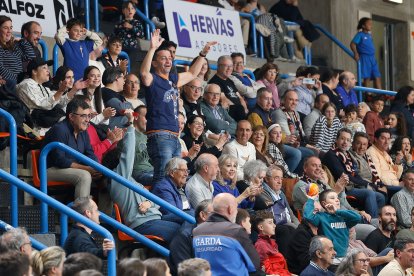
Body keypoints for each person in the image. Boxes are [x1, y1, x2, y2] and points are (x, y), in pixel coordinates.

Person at [140, 29, 215, 182]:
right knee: (162, 176)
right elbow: (143, 73)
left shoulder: (173, 80)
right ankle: (158, 205)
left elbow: (193, 73)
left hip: (175, 136)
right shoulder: (152, 79)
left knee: (176, 178)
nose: (168, 61)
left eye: (169, 58)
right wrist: (153, 48)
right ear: (155, 63)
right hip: (160, 134)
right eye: (163, 58)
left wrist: (203, 54)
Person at [106, 110, 181, 245]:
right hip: (143, 224)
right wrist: (130, 125)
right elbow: (128, 153)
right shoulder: (118, 178)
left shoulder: (133, 182)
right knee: (182, 233)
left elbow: (157, 202)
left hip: (155, 218)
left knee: (189, 219)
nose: (130, 161)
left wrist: (148, 203)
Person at [42, 98, 101, 198]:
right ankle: (82, 212)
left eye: (89, 116)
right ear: (71, 117)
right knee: (84, 176)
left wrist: (97, 168)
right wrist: (86, 168)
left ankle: (100, 212)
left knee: (107, 177)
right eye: (83, 116)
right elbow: (59, 160)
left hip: (72, 169)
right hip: (50, 170)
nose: (87, 120)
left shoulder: (84, 132)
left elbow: (90, 153)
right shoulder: (59, 130)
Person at [192, 193, 263, 276]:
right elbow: (254, 264)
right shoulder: (236, 231)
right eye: (236, 208)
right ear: (230, 209)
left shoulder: (197, 231)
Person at [322, 128, 386, 219]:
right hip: (343, 190)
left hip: (353, 186)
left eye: (348, 140)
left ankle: (370, 219)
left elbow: (355, 174)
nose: (345, 142)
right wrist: (366, 184)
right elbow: (344, 176)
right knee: (369, 193)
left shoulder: (347, 154)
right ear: (336, 139)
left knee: (380, 196)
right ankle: (373, 225)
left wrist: (369, 184)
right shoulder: (331, 155)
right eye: (342, 139)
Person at [16, 58, 83, 126]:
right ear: (34, 71)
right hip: (34, 124)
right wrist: (60, 91)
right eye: (44, 68)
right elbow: (44, 105)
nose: (48, 70)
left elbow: (60, 103)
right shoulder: (26, 84)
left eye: (48, 68)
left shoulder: (43, 88)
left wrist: (74, 89)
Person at [304, 189, 361, 260]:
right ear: (324, 204)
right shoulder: (321, 217)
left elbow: (358, 217)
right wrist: (311, 200)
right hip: (330, 257)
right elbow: (308, 217)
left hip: (345, 255)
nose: (337, 200)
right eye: (332, 198)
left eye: (337, 198)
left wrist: (337, 211)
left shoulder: (343, 216)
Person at [272, 90, 316, 173]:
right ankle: (287, 176)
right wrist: (308, 145)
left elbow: (301, 134)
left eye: (296, 100)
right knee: (308, 153)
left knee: (314, 151)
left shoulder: (296, 113)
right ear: (284, 100)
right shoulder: (279, 113)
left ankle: (298, 177)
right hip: (281, 143)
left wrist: (310, 143)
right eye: (291, 99)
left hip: (295, 143)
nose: (294, 103)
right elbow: (290, 137)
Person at [168, 200, 213, 276]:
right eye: (216, 214)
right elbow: (186, 271)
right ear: (203, 215)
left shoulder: (220, 235)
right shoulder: (183, 237)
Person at [208, 55, 249, 121]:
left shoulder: (229, 80)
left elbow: (240, 97)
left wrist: (245, 110)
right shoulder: (215, 82)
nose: (229, 68)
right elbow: (224, 100)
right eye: (226, 66)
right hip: (228, 113)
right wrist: (239, 109)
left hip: (240, 112)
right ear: (219, 66)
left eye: (231, 66)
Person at [252, 211, 291, 276]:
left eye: (273, 222)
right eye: (270, 223)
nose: (274, 226)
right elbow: (267, 271)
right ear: (261, 227)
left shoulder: (272, 242)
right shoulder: (261, 245)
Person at [0, 15, 35, 85]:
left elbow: (31, 57)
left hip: (19, 83)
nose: (9, 31)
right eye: (5, 28)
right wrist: (19, 80)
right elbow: (1, 68)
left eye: (11, 28)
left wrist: (22, 41)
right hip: (10, 84)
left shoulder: (14, 47)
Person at [113, 1, 145, 74]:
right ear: (123, 11)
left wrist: (131, 27)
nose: (130, 10)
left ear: (135, 11)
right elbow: (115, 34)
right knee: (119, 66)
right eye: (127, 8)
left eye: (132, 8)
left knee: (130, 66)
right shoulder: (119, 23)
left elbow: (141, 35)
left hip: (132, 48)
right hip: (120, 48)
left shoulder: (137, 23)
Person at [351, 17, 381, 89]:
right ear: (363, 26)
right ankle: (368, 94)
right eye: (369, 24)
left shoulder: (369, 35)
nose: (371, 25)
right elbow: (352, 44)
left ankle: (381, 94)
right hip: (365, 57)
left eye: (371, 24)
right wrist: (356, 53)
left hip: (372, 58)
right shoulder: (360, 35)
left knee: (377, 76)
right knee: (367, 77)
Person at [131, 105, 154, 185]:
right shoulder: (128, 135)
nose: (149, 121)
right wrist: (148, 150)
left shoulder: (146, 136)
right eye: (146, 117)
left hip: (151, 170)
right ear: (136, 117)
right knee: (162, 179)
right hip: (139, 173)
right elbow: (130, 161)